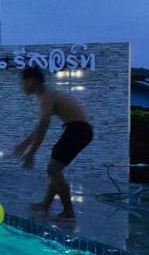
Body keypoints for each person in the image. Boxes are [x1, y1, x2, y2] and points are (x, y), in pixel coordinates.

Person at [13, 66, 94, 223]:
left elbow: (44, 127)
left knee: (53, 169)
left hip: (77, 130)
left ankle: (69, 212)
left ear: (31, 81)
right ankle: (45, 205)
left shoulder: (46, 96)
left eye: (22, 82)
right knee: (54, 169)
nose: (21, 86)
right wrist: (25, 144)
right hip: (80, 130)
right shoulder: (48, 95)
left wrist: (30, 154)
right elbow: (40, 127)